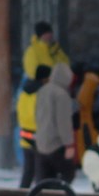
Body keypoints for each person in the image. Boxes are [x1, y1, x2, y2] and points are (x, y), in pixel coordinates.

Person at [18, 23, 66, 186]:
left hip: (28, 135)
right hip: (39, 136)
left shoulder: (26, 92)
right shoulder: (32, 52)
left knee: (30, 170)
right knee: (42, 171)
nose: (49, 37)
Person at [31, 62, 78, 186]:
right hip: (57, 145)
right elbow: (63, 122)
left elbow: (37, 115)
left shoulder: (42, 91)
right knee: (67, 175)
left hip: (41, 143)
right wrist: (69, 144)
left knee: (44, 181)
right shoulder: (62, 94)